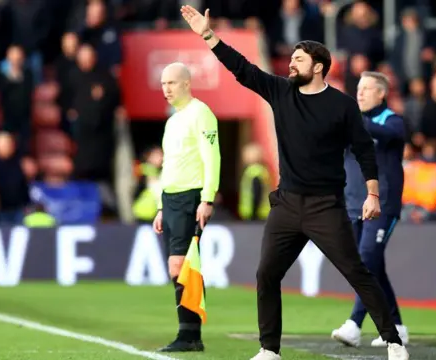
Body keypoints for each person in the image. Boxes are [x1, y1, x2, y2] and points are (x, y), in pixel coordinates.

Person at [180, 5, 408, 360]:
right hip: (287, 204)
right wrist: (209, 36)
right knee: (266, 274)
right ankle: (269, 350)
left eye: (299, 60)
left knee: (358, 273)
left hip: (325, 207)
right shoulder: (281, 92)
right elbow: (243, 69)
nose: (291, 64)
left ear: (318, 66)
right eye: (292, 59)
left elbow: (365, 151)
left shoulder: (342, 106)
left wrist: (373, 193)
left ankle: (393, 340)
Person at [332, 71, 409, 347]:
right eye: (359, 88)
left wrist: (354, 120)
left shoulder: (391, 120)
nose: (360, 93)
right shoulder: (352, 124)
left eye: (366, 89)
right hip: (353, 204)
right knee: (373, 266)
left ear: (381, 94)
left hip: (382, 205)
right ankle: (397, 325)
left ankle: (354, 323)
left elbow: (390, 135)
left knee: (365, 261)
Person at [152, 62, 221, 352]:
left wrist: (207, 198)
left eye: (172, 83)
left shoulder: (201, 113)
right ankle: (190, 334)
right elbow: (168, 165)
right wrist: (159, 206)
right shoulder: (173, 120)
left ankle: (190, 334)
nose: (166, 88)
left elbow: (212, 156)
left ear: (186, 84)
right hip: (170, 199)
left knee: (181, 265)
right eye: (163, 83)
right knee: (177, 267)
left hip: (191, 196)